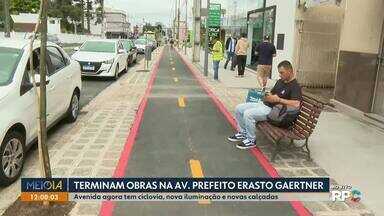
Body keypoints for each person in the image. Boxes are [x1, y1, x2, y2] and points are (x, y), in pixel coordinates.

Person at [228, 60, 302, 149]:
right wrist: (267, 94)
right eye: (279, 73)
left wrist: (279, 99)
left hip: (274, 111)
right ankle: (243, 133)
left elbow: (296, 103)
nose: (280, 75)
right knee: (238, 108)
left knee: (248, 114)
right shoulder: (280, 81)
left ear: (290, 71)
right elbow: (271, 92)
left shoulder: (295, 86)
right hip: (264, 104)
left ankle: (251, 140)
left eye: (282, 73)